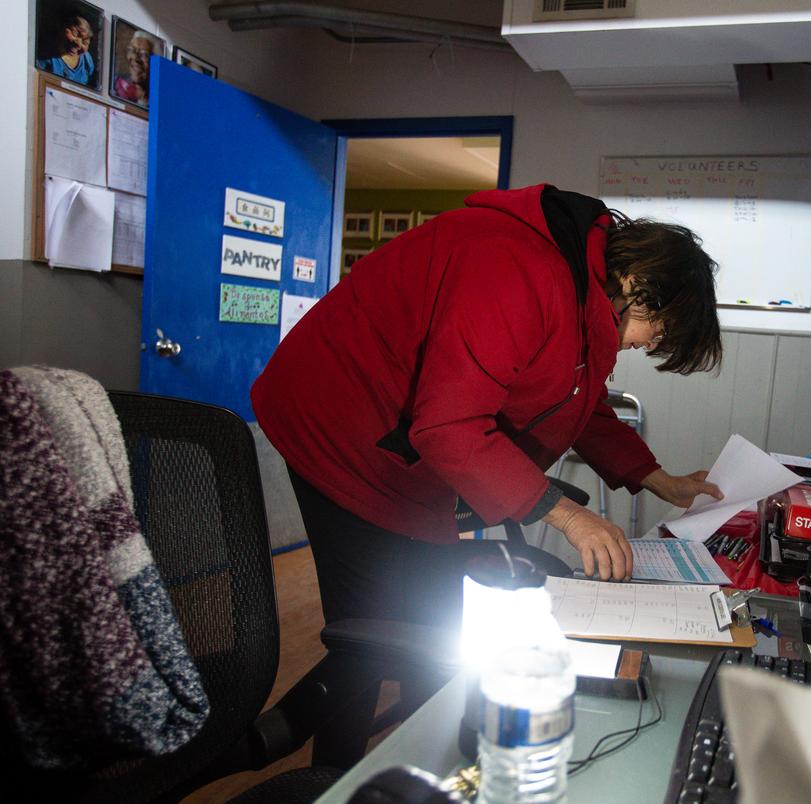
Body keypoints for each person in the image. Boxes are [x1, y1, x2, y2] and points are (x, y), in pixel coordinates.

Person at [251, 184, 725, 626]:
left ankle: (404, 696)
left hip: (406, 443)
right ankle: (317, 713)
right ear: (637, 284)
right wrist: (566, 515)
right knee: (379, 630)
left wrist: (659, 480)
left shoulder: (583, 292)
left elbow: (578, 402)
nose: (646, 345)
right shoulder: (520, 270)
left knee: (427, 623)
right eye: (657, 331)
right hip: (339, 428)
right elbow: (450, 427)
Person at [35, 15, 95, 87]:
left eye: (85, 42)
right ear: (61, 27)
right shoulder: (45, 56)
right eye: (75, 34)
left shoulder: (87, 60)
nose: (78, 44)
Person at [113, 31, 155, 105]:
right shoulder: (116, 85)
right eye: (132, 50)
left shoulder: (156, 100)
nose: (136, 58)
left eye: (144, 54)